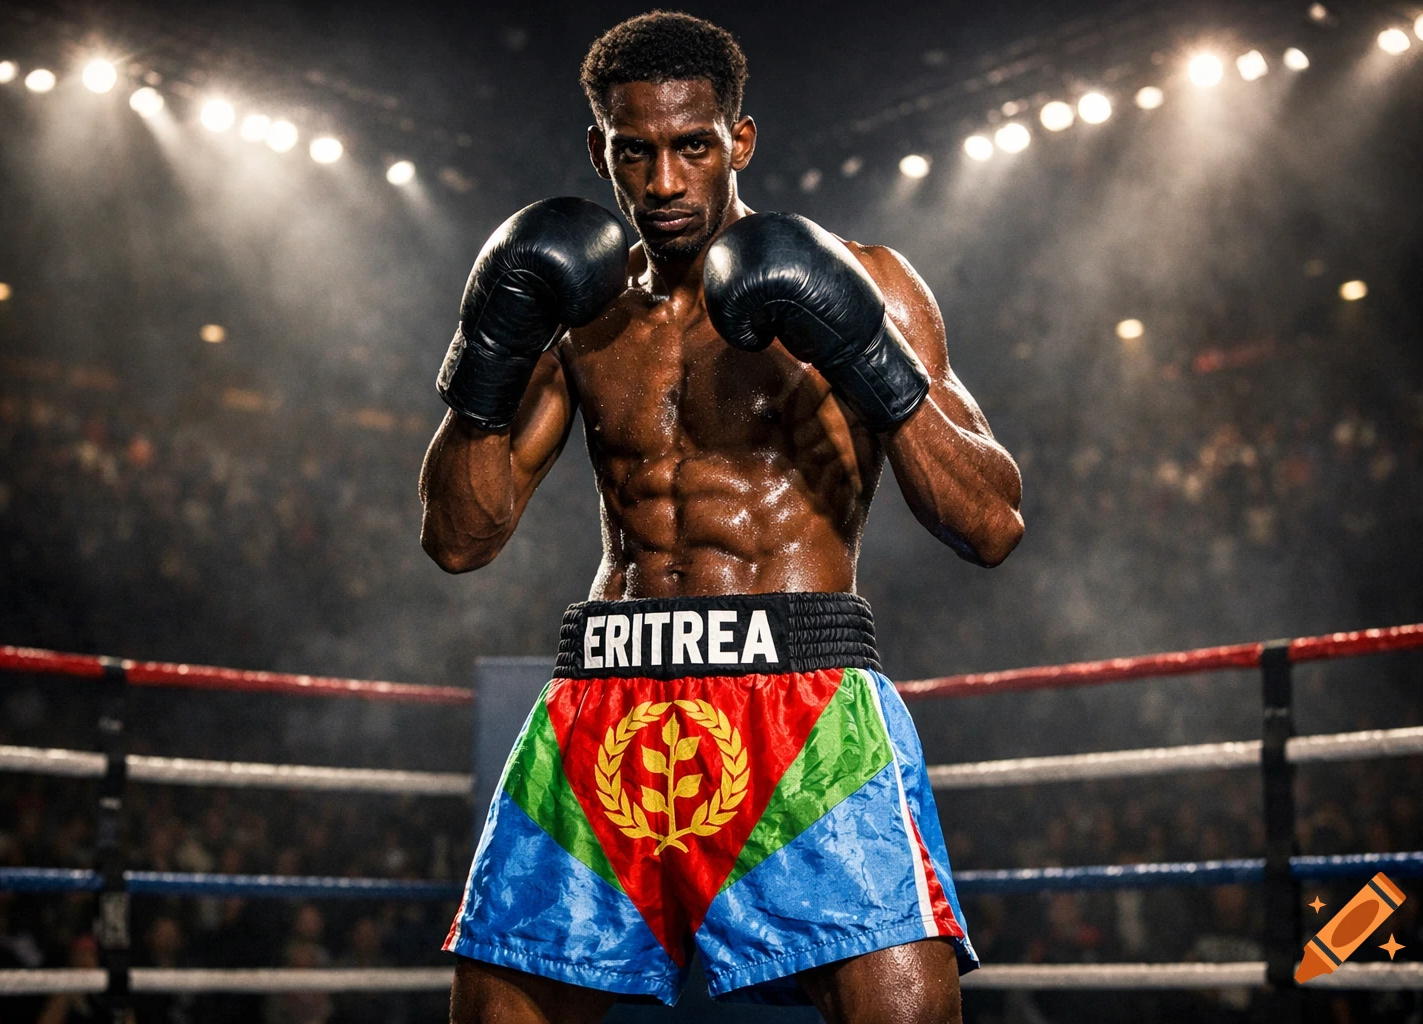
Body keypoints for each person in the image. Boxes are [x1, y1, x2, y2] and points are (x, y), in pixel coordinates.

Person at [418, 11, 1023, 1023]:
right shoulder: (579, 314)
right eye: (635, 152)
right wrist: (484, 354)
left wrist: (865, 352)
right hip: (607, 699)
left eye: (692, 148)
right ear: (599, 153)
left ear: (739, 140)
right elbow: (459, 540)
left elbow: (991, 522)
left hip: (803, 701)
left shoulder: (866, 279)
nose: (663, 183)